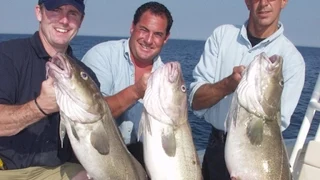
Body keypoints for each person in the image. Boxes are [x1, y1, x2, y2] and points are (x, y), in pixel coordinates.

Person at [189, 0, 305, 179]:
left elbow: (276, 124)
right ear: (247, 2)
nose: (264, 4)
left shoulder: (293, 61)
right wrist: (228, 84)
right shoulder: (222, 37)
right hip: (216, 151)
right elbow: (195, 102)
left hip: (257, 157)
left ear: (283, 2)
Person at [0, 0, 99, 179]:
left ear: (81, 21)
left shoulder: (87, 77)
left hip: (58, 171)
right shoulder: (6, 55)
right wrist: (40, 107)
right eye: (56, 10)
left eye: (73, 13)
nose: (64, 20)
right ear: (39, 12)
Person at [81, 1, 173, 169]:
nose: (148, 40)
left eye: (158, 34)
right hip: (97, 153)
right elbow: (90, 115)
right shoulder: (102, 56)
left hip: (144, 158)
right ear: (132, 27)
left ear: (166, 38)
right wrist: (137, 91)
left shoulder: (166, 78)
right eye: (143, 30)